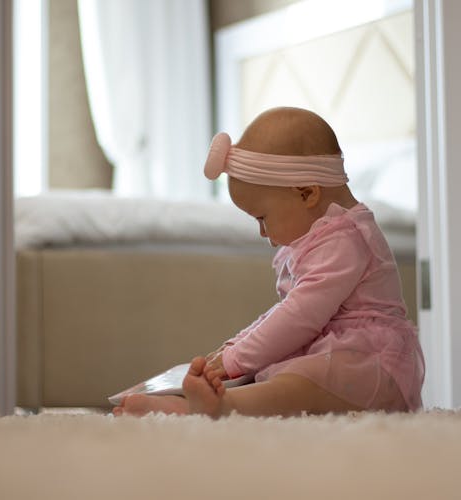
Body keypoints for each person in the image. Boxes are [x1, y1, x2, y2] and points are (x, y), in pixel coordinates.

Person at [113, 107, 424, 418]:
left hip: (372, 366)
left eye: (262, 217)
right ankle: (186, 404)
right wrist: (236, 345)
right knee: (273, 372)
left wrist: (237, 358)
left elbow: (299, 315)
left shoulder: (345, 241)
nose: (263, 232)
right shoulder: (325, 236)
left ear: (306, 193)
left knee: (297, 384)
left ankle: (222, 407)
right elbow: (286, 312)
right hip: (337, 353)